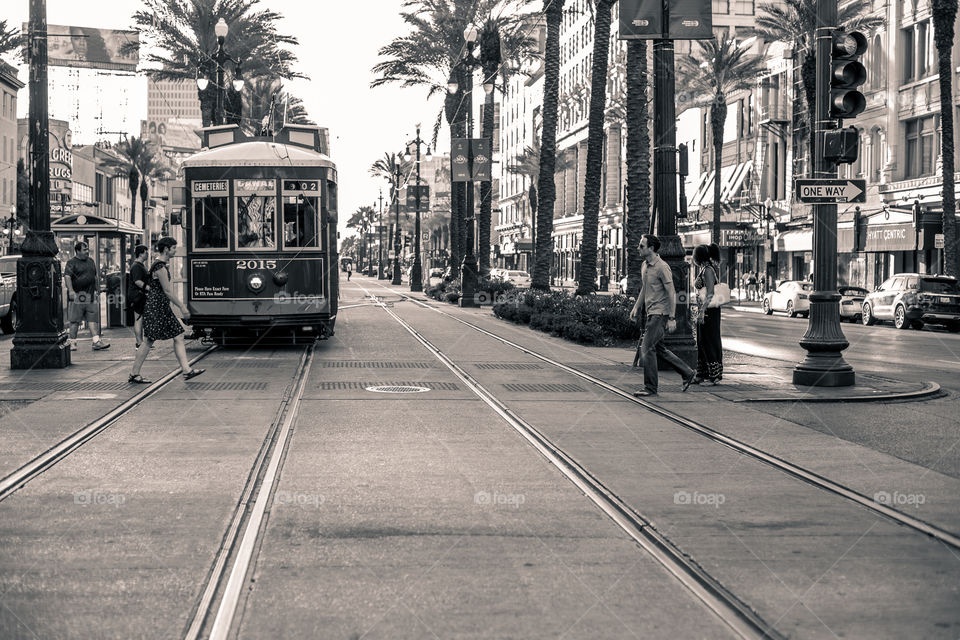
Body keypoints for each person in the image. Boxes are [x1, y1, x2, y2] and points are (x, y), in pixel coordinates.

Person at [628, 234, 697, 396]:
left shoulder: (662, 267)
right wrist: (636, 307)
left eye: (641, 246)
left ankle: (650, 388)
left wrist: (672, 318)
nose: (638, 248)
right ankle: (687, 373)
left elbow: (671, 292)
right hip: (651, 313)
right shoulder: (645, 266)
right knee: (659, 348)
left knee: (647, 348)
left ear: (651, 248)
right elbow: (645, 289)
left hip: (660, 314)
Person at [128, 237, 204, 383]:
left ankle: (187, 370)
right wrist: (182, 306)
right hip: (156, 308)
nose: (175, 250)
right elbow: (168, 291)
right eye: (173, 248)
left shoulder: (159, 264)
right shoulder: (160, 267)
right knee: (149, 340)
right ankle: (134, 373)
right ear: (166, 249)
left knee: (178, 336)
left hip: (160, 307)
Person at [65, 241, 109, 351]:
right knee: (75, 320)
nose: (87, 251)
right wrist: (71, 291)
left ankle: (96, 342)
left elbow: (95, 277)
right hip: (78, 296)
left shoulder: (91, 261)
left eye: (87, 249)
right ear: (78, 251)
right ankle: (73, 343)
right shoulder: (71, 263)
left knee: (92, 319)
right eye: (84, 250)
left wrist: (97, 289)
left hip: (90, 296)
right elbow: (67, 277)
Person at [693, 244, 724, 384]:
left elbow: (710, 293)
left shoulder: (708, 271)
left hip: (709, 311)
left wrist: (702, 311)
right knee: (702, 341)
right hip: (705, 310)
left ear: (698, 257)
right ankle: (702, 373)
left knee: (709, 341)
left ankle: (714, 374)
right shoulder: (704, 269)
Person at [127, 244, 150, 349]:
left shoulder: (140, 265)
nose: (148, 254)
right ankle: (139, 343)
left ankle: (141, 342)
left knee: (140, 318)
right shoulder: (137, 266)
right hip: (137, 296)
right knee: (138, 319)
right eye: (146, 252)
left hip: (139, 295)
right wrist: (149, 288)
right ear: (141, 253)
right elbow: (137, 281)